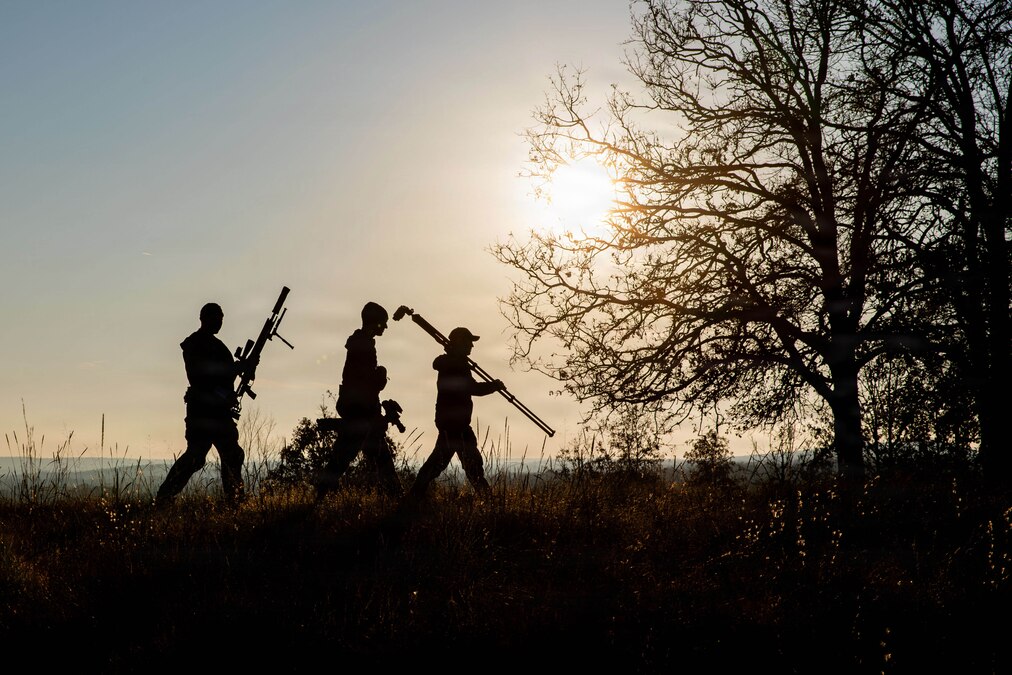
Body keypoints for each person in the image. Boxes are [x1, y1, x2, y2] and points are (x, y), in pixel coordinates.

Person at [155, 302, 255, 508]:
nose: (219, 322)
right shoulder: (194, 344)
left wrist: (244, 368)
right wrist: (235, 369)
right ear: (204, 319)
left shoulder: (218, 346)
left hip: (219, 412)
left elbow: (226, 376)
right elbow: (201, 376)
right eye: (215, 317)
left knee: (232, 455)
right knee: (196, 457)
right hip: (202, 410)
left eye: (221, 318)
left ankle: (234, 501)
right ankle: (164, 496)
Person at [401, 326, 504, 508]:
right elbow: (472, 389)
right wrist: (493, 386)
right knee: (440, 465)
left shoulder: (456, 364)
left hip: (459, 425)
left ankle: (490, 504)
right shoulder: (453, 366)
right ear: (459, 343)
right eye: (468, 342)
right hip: (453, 426)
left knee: (469, 467)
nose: (472, 346)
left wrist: (492, 385)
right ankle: (412, 500)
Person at [315, 302, 403, 500]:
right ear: (375, 323)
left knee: (377, 459)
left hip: (362, 410)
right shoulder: (363, 345)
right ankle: (319, 497)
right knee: (344, 458)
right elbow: (365, 382)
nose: (386, 327)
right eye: (383, 323)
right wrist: (381, 376)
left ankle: (398, 501)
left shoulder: (361, 342)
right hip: (360, 412)